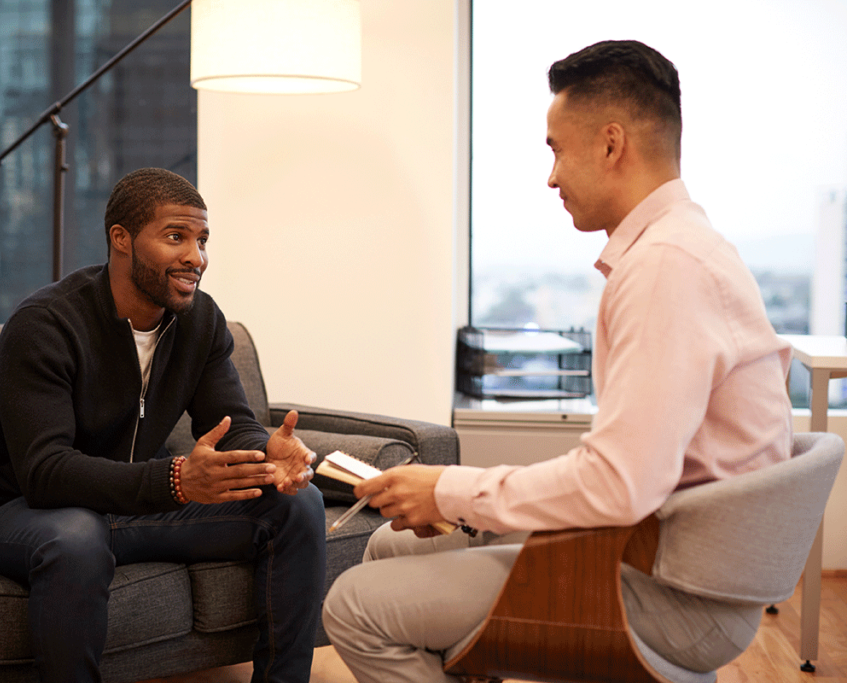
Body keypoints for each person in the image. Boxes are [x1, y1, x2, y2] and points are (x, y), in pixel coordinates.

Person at [322, 40, 793, 682]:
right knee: (387, 543)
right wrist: (456, 502)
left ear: (610, 143)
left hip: (672, 586)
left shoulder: (665, 268)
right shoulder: (683, 248)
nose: (550, 176)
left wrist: (454, 491)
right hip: (664, 546)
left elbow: (620, 485)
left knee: (353, 605)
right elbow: (626, 471)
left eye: (555, 150)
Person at [0, 167, 327, 683]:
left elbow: (232, 425)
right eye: (176, 237)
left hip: (131, 509)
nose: (195, 258)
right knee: (76, 534)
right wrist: (176, 479)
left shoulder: (200, 321)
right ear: (122, 239)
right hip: (20, 514)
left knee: (296, 503)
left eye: (202, 240)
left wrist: (266, 451)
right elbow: (45, 473)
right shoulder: (45, 325)